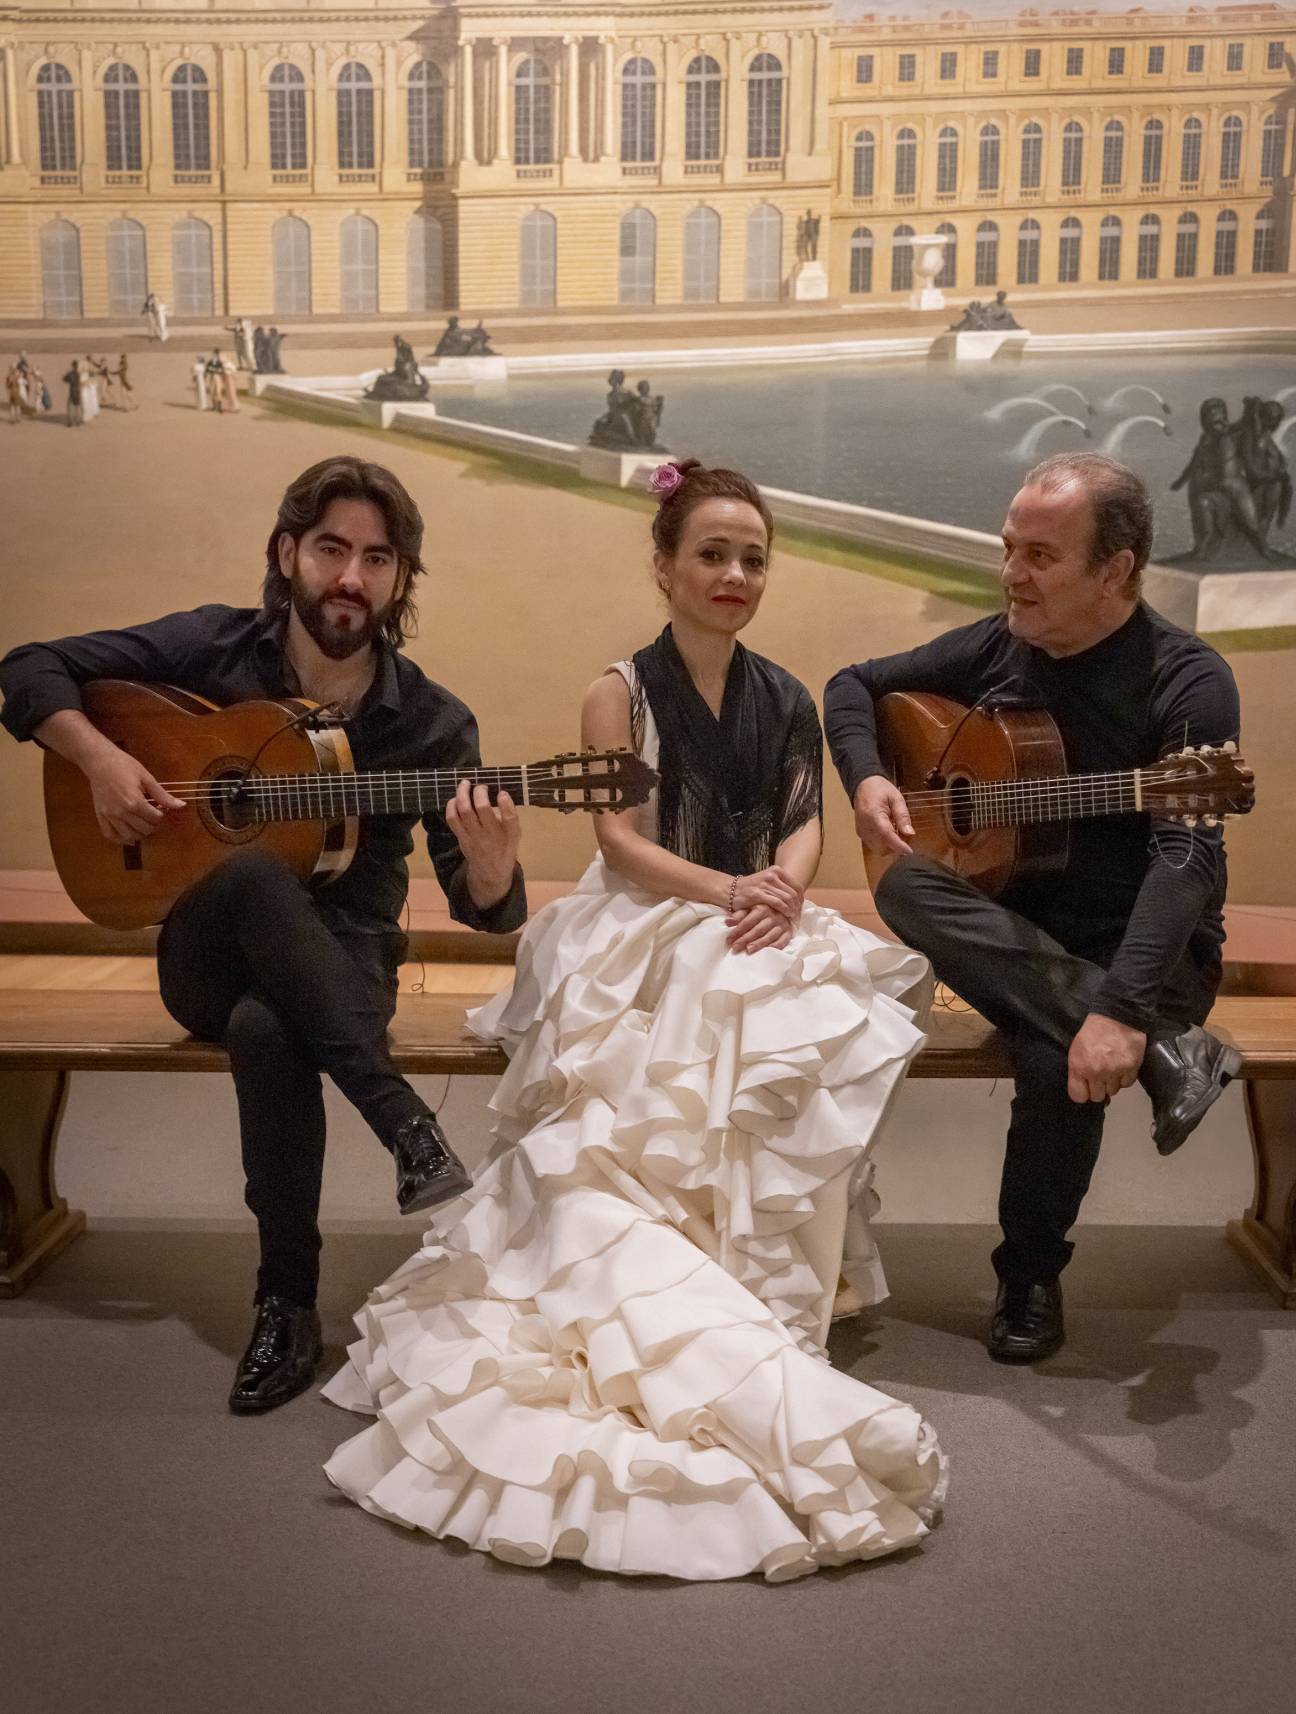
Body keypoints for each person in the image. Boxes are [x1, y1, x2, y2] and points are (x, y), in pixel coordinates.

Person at [323, 459, 946, 1582]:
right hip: (645, 916)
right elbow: (617, 843)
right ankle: (679, 1291)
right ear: (663, 565)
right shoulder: (621, 689)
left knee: (808, 1007)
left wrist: (784, 889)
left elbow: (804, 823)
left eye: (752, 557)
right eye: (710, 552)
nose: (733, 573)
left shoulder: (784, 692)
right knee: (674, 1056)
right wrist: (729, 893)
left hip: (758, 909)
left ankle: (746, 1285)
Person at [0, 456, 527, 1414]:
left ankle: (284, 1299)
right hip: (202, 952)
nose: (351, 579)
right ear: (287, 553)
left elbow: (484, 903)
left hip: (350, 960)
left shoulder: (435, 722)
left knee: (267, 1028)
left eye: (377, 558)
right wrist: (104, 759)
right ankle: (402, 1122)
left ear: (401, 579)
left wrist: (492, 870)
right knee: (248, 873)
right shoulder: (213, 650)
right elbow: (26, 666)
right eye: (331, 549)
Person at [824, 452, 1242, 1366]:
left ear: (1116, 570)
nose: (1012, 574)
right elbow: (851, 685)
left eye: (1041, 556)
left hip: (1149, 948)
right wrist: (865, 778)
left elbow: (1185, 862)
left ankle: (1028, 1276)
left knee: (1062, 1051)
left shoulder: (1187, 681)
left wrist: (1124, 1009)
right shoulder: (999, 646)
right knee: (901, 880)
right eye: (1008, 548)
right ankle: (1178, 1062)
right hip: (1021, 930)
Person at [62, 358, 83, 426]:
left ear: (72, 366)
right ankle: (77, 421)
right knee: (77, 406)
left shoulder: (70, 373)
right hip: (77, 390)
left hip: (72, 390)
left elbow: (64, 379)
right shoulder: (79, 374)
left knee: (70, 406)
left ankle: (70, 422)